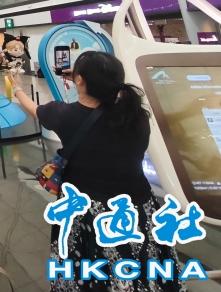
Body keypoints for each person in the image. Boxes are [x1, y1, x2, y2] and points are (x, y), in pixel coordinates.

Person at [11, 52, 181, 292]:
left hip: (88, 212)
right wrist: (85, 79)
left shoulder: (65, 115)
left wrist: (17, 88)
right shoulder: (137, 115)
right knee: (144, 266)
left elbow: (34, 109)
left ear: (80, 80)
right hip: (139, 206)